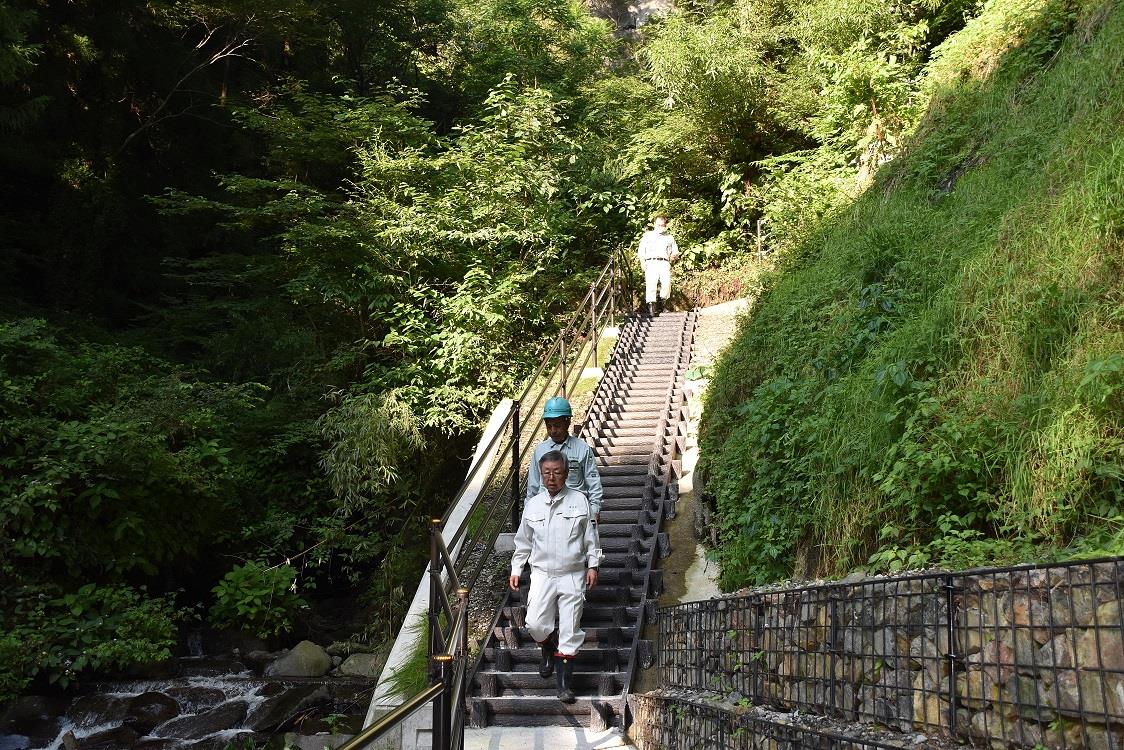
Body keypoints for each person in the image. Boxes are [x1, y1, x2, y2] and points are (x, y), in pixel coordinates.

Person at [509, 451, 601, 703]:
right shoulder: (533, 505)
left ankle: (563, 686)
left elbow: (591, 538)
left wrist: (593, 565)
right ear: (541, 473)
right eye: (546, 473)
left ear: (566, 473)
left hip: (572, 574)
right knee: (535, 624)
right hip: (542, 574)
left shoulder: (580, 501)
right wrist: (517, 569)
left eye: (557, 472)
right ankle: (548, 648)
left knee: (570, 629)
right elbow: (523, 542)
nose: (551, 478)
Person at [525, 397, 603, 522]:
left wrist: (595, 509)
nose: (553, 430)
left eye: (557, 425)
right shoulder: (540, 451)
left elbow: (592, 481)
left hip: (575, 511)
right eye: (549, 426)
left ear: (567, 422)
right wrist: (528, 512)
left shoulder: (582, 449)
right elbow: (533, 486)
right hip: (545, 510)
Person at [637, 215, 679, 316]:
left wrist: (674, 256)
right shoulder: (647, 235)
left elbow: (675, 251)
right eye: (658, 225)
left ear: (665, 225)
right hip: (650, 262)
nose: (660, 227)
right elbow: (641, 250)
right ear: (655, 224)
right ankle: (652, 309)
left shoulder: (669, 237)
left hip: (664, 262)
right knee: (651, 284)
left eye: (662, 225)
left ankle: (664, 305)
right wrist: (642, 262)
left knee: (666, 283)